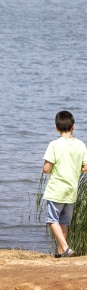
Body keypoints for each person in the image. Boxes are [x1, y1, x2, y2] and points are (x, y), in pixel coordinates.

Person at [42, 110, 87, 257]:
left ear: (56, 128)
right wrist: (75, 168)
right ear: (73, 126)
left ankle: (66, 248)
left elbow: (46, 169)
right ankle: (61, 252)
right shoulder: (80, 145)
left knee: (52, 219)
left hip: (56, 189)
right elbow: (85, 167)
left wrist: (50, 167)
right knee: (64, 222)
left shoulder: (54, 145)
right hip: (71, 190)